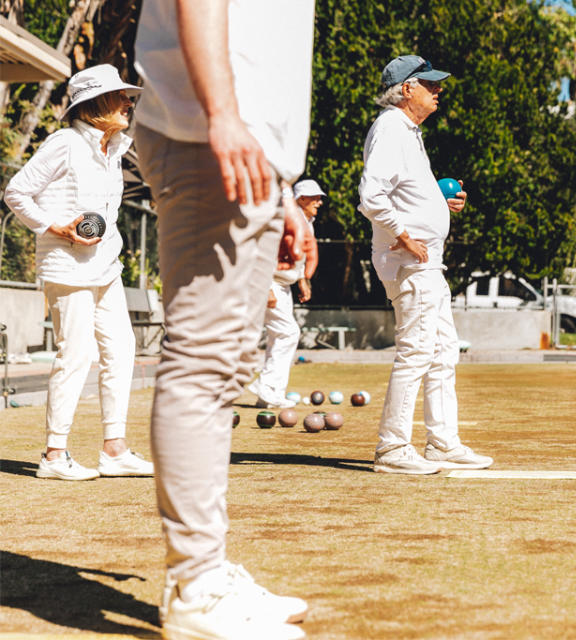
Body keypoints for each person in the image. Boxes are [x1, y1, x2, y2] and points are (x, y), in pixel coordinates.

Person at [134, 1, 316, 638]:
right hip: (205, 131)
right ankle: (195, 585)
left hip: (240, 145)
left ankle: (204, 571)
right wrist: (222, 113)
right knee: (205, 359)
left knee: (227, 360)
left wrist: (283, 189)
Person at [4, 64, 154, 481]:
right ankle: (54, 456)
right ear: (95, 105)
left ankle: (114, 449)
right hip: (68, 267)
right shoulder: (65, 143)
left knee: (122, 350)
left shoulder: (114, 149)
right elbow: (16, 191)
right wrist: (57, 227)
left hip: (106, 267)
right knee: (75, 355)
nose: (129, 102)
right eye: (121, 96)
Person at [358, 55, 493, 475]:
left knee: (442, 352)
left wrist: (439, 199)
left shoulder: (408, 133)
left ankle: (442, 443)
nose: (438, 90)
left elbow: (402, 190)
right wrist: (403, 236)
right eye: (429, 84)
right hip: (410, 262)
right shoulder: (391, 129)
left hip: (427, 264)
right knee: (417, 351)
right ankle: (393, 448)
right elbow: (372, 196)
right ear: (405, 90)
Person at [248, 179, 324, 408]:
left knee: (278, 336)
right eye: (315, 198)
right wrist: (267, 286)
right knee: (288, 332)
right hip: (270, 282)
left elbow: (297, 255)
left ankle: (270, 395)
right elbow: (263, 251)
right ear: (300, 199)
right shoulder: (284, 219)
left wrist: (302, 280)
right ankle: (264, 384)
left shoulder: (306, 222)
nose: (319, 202)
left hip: (284, 285)